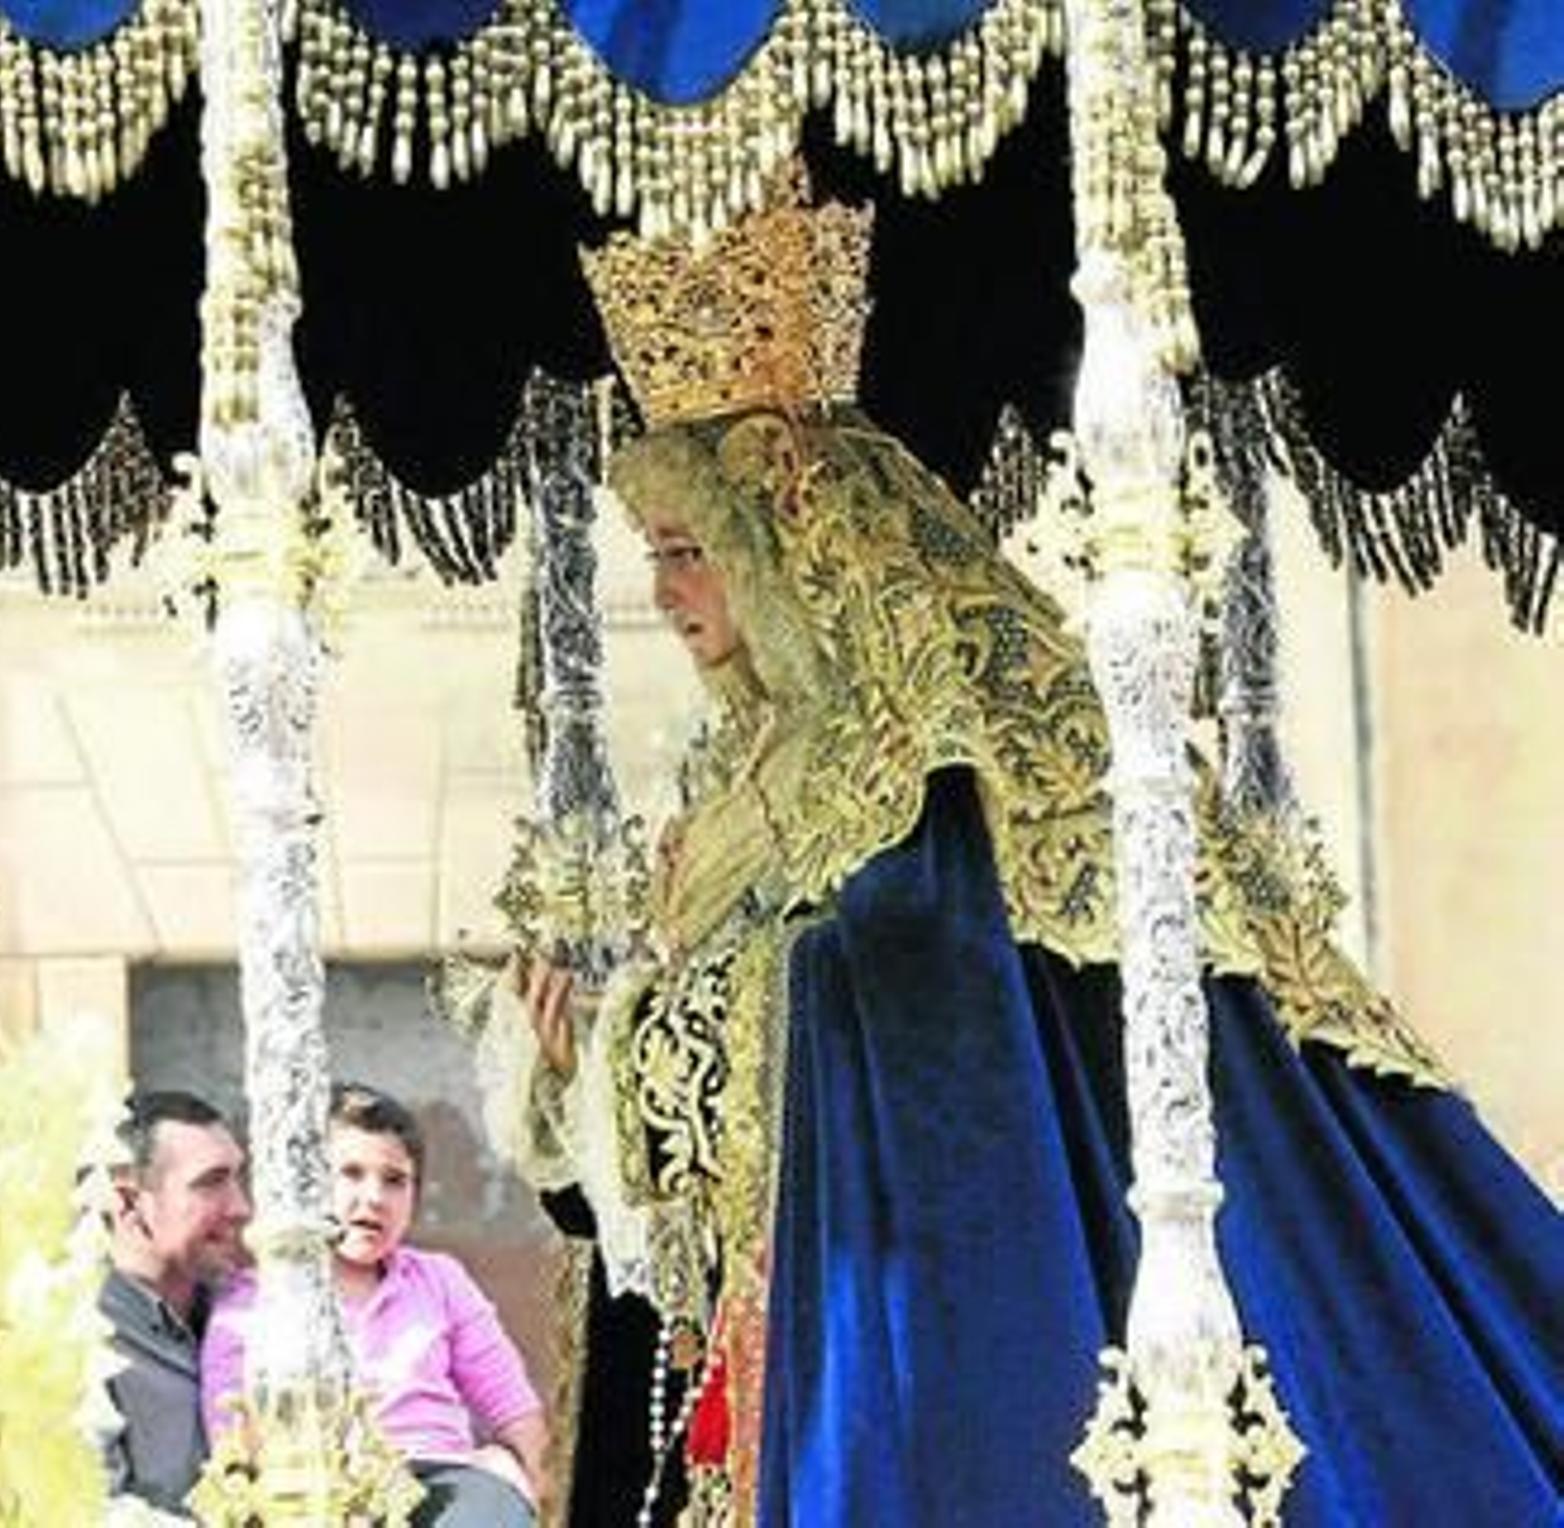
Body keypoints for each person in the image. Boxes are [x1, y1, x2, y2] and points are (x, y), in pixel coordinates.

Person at [476, 170, 1564, 1526]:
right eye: (657, 553)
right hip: (759, 1344)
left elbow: (918, 1032)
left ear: (792, 551)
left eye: (692, 550)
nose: (668, 593)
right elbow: (703, 1162)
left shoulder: (933, 769)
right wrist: (585, 1081)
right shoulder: (737, 793)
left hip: (937, 1336)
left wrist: (644, 1027)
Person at [200, 1081, 549, 1527]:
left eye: (394, 1181)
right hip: (320, 1501)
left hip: (444, 1489)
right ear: (305, 1184)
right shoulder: (250, 1303)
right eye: (349, 1173)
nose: (374, 1198)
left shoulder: (439, 1280)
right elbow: (229, 1444)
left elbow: (514, 1411)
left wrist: (526, 1488)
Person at [101, 1087, 252, 1514]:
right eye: (211, 1183)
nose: (241, 1207)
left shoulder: (256, 1313)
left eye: (238, 1178)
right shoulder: (72, 1338)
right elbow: (86, 1511)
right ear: (129, 1202)